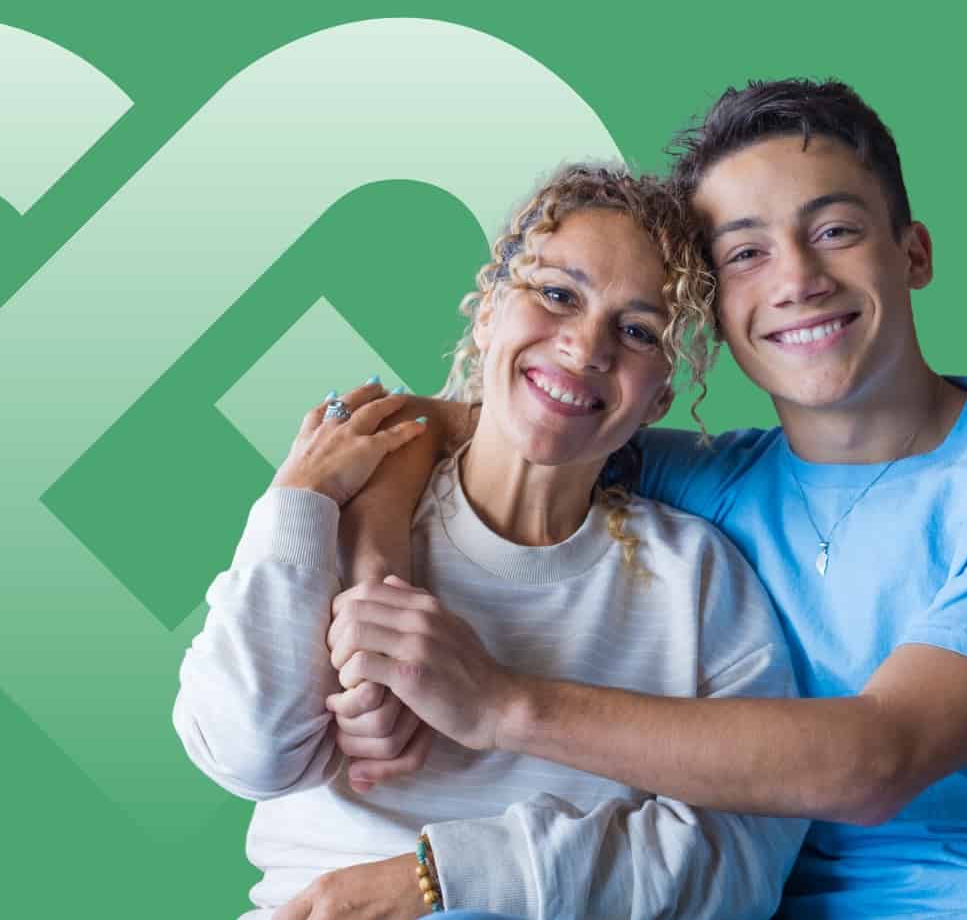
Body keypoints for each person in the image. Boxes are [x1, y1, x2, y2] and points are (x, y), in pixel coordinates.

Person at [337, 81, 967, 917]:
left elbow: (880, 760)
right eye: (746, 253)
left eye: (835, 230)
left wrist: (498, 704)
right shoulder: (709, 482)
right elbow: (432, 423)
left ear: (912, 253)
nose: (796, 278)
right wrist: (380, 601)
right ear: (714, 311)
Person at [172, 164, 807, 919]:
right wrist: (297, 502)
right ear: (487, 312)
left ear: (661, 395)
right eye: (558, 294)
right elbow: (248, 754)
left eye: (637, 331)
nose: (585, 346)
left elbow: (737, 866)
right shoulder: (343, 513)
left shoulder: (697, 580)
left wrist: (445, 876)